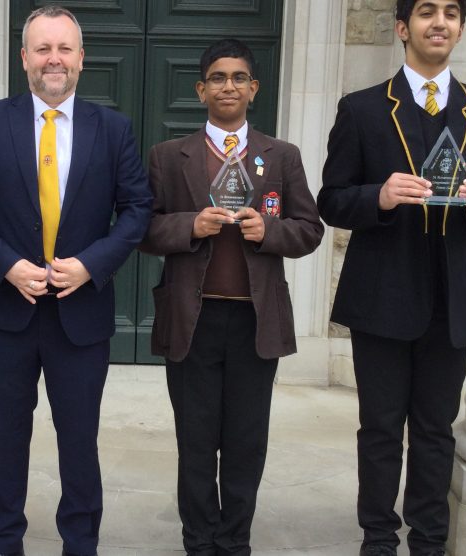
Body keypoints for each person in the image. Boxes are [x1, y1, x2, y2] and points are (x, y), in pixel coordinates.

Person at [0, 6, 152, 556]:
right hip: (6, 313)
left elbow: (137, 209)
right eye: (42, 48)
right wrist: (6, 264)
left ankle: (80, 544)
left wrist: (90, 264)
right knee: (6, 440)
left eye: (64, 48)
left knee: (79, 442)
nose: (53, 59)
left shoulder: (113, 129)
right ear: (24, 59)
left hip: (80, 318)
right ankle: (3, 543)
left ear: (81, 59)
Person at [317, 1, 466, 555]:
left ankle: (429, 542)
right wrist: (378, 197)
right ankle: (378, 540)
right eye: (427, 11)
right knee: (380, 430)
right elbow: (331, 199)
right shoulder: (361, 109)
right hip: (381, 295)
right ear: (403, 28)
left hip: (453, 300)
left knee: (436, 430)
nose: (440, 22)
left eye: (451, 13)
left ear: (459, 28)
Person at [139, 39, 323, 556]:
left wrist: (269, 231)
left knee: (246, 442)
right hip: (191, 320)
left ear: (254, 89)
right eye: (217, 78)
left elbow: (309, 229)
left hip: (254, 321)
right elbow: (144, 230)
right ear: (201, 90)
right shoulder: (168, 157)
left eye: (238, 77)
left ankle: (235, 540)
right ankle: (198, 541)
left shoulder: (281, 156)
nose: (228, 86)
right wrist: (189, 225)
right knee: (196, 442)